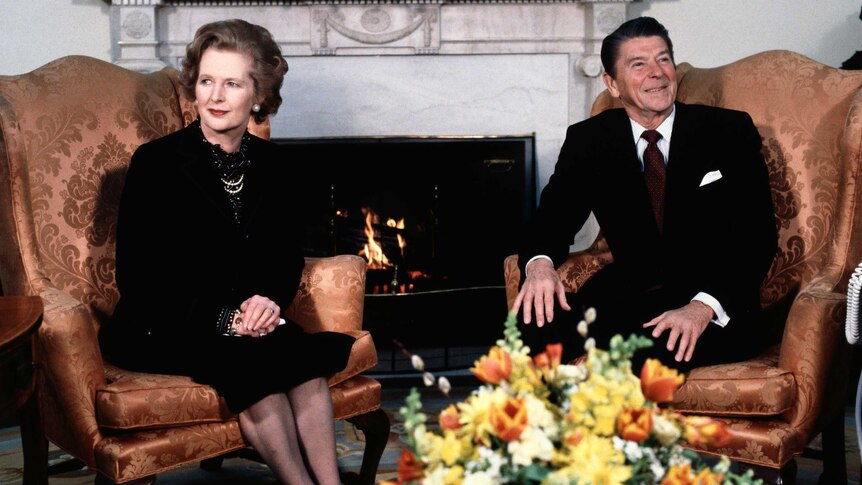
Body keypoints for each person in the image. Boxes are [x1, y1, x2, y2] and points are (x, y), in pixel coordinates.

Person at [101, 19, 354, 485]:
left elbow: (284, 255)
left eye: (232, 83)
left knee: (302, 357)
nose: (216, 96)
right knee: (250, 362)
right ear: (194, 87)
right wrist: (224, 320)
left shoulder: (276, 167)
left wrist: (267, 301)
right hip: (163, 322)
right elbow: (138, 277)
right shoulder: (155, 163)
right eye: (206, 81)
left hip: (247, 319)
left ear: (258, 94)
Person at [512, 16, 777, 372]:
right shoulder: (589, 140)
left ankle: (607, 400)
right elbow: (553, 219)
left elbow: (757, 236)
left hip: (714, 300)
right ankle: (561, 417)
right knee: (527, 326)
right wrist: (541, 265)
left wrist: (701, 308)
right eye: (639, 64)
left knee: (649, 350)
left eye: (663, 59)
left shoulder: (727, 130)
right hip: (631, 296)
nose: (657, 72)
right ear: (612, 84)